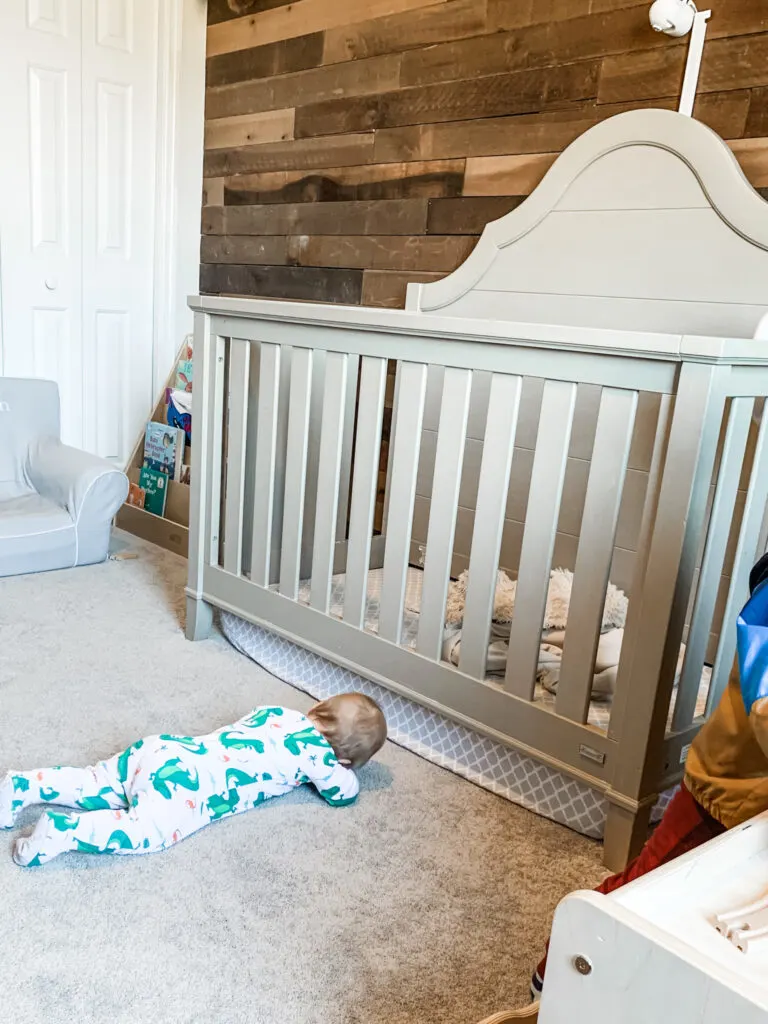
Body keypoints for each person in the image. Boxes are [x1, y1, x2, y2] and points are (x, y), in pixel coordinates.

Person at [531, 550, 768, 1002]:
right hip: (725, 798)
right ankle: (556, 972)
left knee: (717, 929)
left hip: (756, 819)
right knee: (638, 895)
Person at [0, 693, 386, 868]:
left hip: (165, 749)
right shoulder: (319, 758)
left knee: (96, 781)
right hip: (189, 784)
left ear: (318, 707)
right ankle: (63, 831)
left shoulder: (278, 711)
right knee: (145, 830)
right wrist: (344, 768)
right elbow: (343, 793)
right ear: (345, 758)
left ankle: (23, 786)